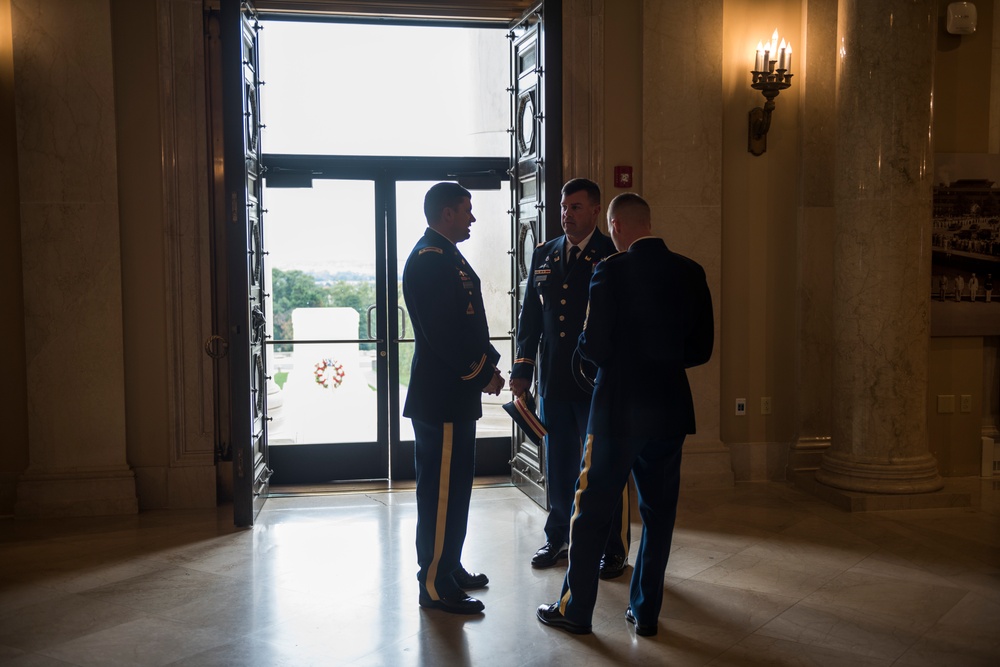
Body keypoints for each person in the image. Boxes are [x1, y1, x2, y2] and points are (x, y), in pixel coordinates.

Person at [536, 193, 714, 637]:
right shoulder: (691, 271)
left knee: (590, 512)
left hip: (616, 412)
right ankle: (645, 612)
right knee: (658, 516)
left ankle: (575, 611)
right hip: (669, 411)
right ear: (648, 223)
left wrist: (595, 357)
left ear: (613, 225)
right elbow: (702, 349)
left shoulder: (610, 270)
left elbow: (593, 346)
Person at [510, 178, 631, 578]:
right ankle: (558, 536)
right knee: (558, 464)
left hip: (596, 382)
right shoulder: (545, 253)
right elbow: (530, 319)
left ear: (596, 211)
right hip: (555, 384)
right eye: (563, 208)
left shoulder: (610, 254)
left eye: (576, 207)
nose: (567, 215)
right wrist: (523, 369)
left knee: (602, 466)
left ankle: (610, 547)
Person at [402, 182, 505, 615]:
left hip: (452, 395)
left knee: (456, 488)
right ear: (447, 213)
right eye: (467, 210)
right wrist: (483, 372)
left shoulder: (445, 254)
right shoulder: (430, 260)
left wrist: (484, 369)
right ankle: (436, 584)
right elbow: (443, 334)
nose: (473, 218)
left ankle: (449, 565)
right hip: (441, 396)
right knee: (441, 493)